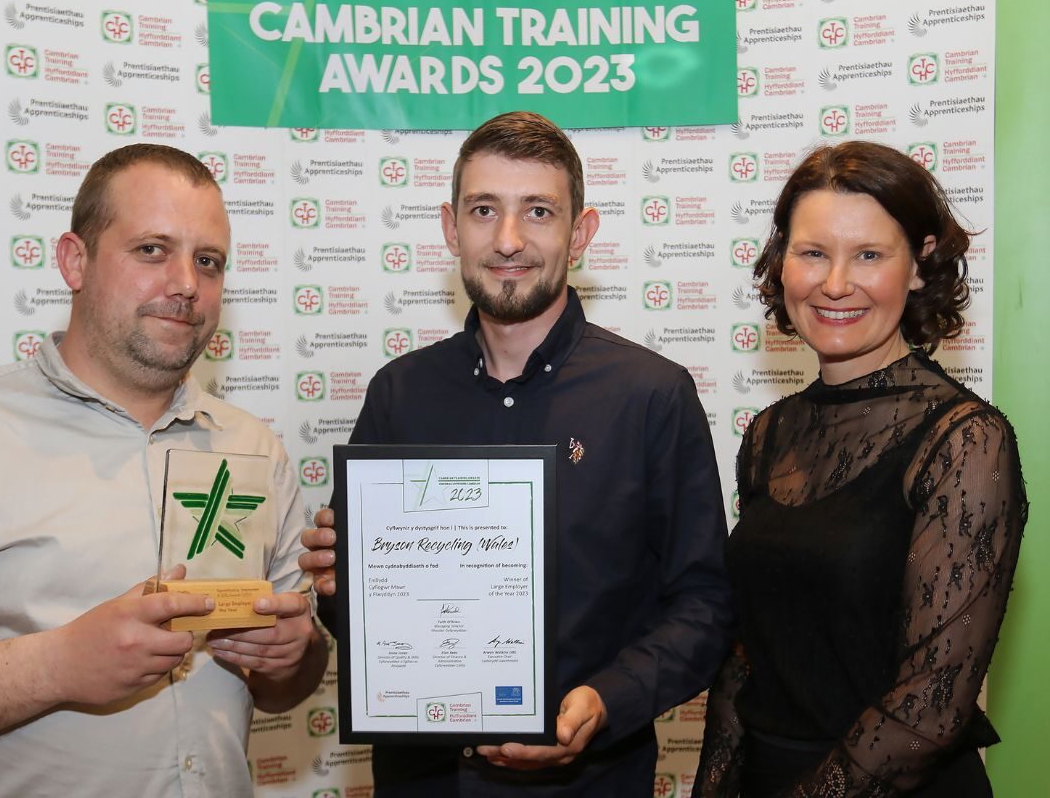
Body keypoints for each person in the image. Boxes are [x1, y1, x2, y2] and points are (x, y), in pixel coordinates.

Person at [0, 143, 327, 796]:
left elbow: (286, 685)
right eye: (152, 250)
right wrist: (58, 666)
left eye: (208, 260)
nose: (186, 283)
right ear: (75, 260)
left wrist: (289, 656)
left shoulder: (252, 448)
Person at [300, 111, 735, 794]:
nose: (508, 240)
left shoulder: (651, 396)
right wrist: (338, 590)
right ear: (451, 228)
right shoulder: (400, 394)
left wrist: (606, 701)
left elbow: (704, 604)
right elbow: (358, 613)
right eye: (483, 210)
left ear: (580, 233)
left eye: (537, 211)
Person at [693, 141, 1027, 797]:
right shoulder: (770, 434)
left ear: (919, 263)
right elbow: (746, 658)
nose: (836, 282)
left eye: (869, 254)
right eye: (813, 252)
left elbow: (931, 703)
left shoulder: (965, 441)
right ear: (781, 262)